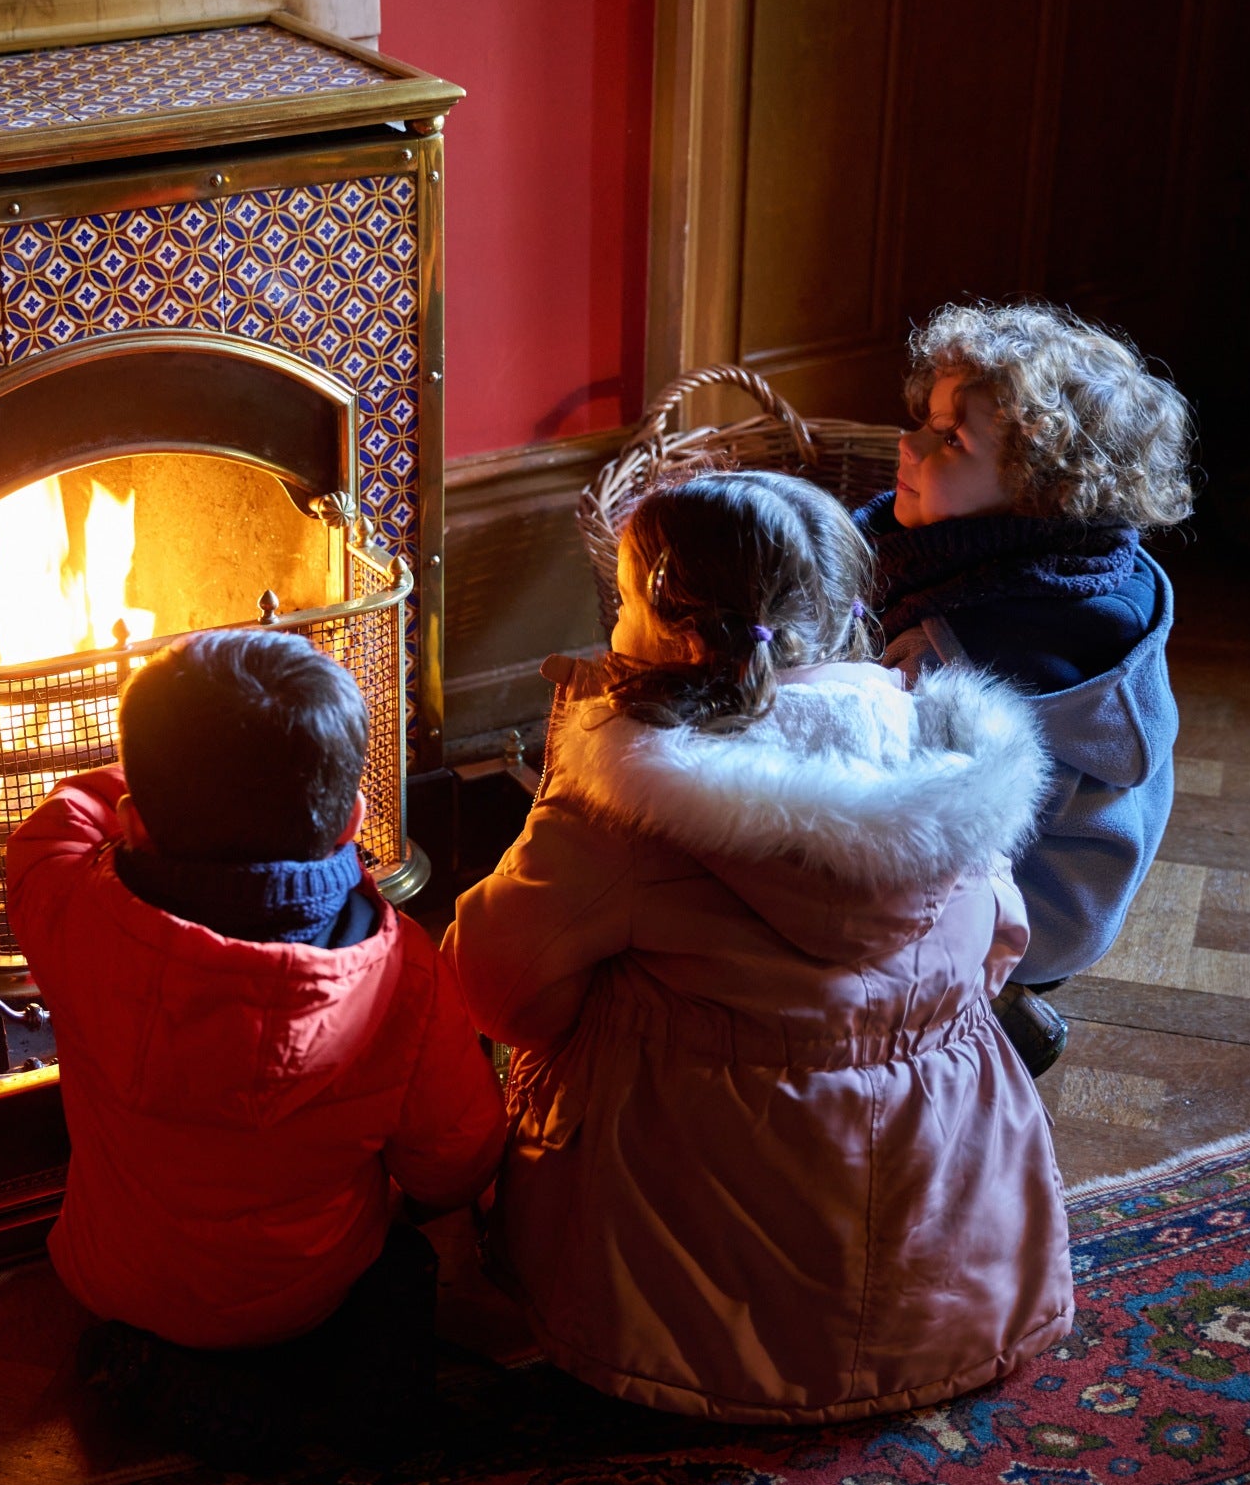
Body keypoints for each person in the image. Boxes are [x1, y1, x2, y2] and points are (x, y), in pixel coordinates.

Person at [447, 470, 1072, 1423]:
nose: (614, 623)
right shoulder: (947, 759)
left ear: (682, 634)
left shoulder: (624, 803)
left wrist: (561, 789)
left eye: (621, 601)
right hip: (940, 1269)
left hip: (680, 1303)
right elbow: (1001, 947)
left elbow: (497, 988)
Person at [4, 628, 504, 1465]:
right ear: (351, 817)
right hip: (311, 1291)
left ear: (134, 818)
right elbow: (454, 1161)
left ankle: (163, 1378)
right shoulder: (407, 974)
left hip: (116, 1280)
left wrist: (179, 768)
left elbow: (56, 820)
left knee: (182, 1301)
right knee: (400, 1268)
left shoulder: (65, 908)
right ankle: (344, 1408)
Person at [858, 301, 1188, 1075]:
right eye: (923, 420)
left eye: (949, 439)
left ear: (1042, 491)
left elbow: (912, 817)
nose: (906, 444)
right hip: (1039, 869)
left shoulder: (1005, 649)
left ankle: (988, 1010)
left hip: (1037, 901)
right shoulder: (1037, 563)